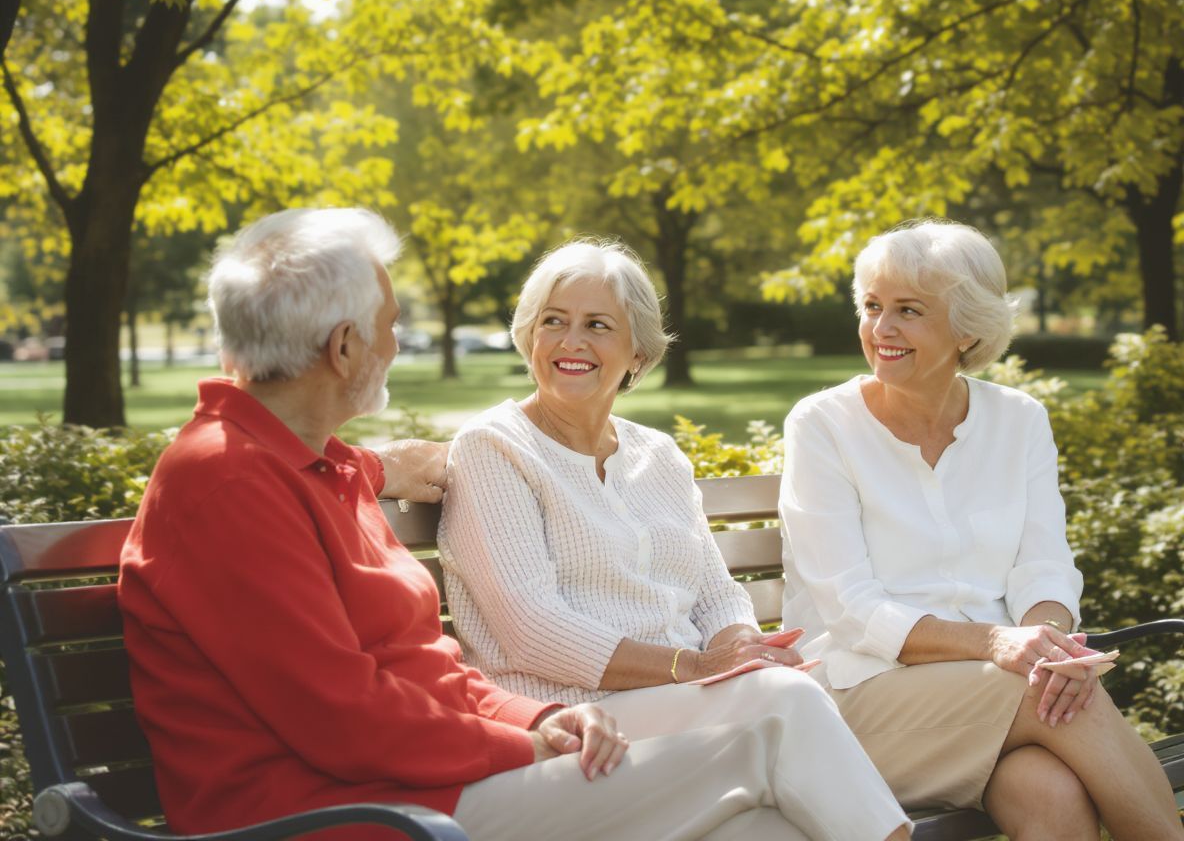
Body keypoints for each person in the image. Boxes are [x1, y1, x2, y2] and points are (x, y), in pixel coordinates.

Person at [118, 208, 882, 841]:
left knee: (762, 830)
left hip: (420, 783)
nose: (395, 346)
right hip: (349, 814)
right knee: (767, 742)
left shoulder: (316, 469)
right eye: (389, 326)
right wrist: (525, 742)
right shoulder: (226, 484)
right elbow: (344, 720)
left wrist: (546, 715)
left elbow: (427, 671)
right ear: (343, 348)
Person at [438, 238, 911, 841]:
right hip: (575, 720)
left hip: (681, 703)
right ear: (529, 336)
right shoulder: (495, 448)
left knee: (769, 830)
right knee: (784, 700)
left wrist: (741, 645)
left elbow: (715, 592)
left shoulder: (656, 455)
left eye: (596, 325)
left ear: (637, 351)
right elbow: (532, 629)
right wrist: (694, 666)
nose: (570, 342)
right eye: (552, 322)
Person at [779, 220, 1184, 841]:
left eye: (908, 310)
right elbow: (852, 610)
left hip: (997, 696)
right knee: (1042, 695)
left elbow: (1043, 566)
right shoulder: (822, 424)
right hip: (855, 700)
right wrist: (1000, 644)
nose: (881, 329)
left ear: (968, 328)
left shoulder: (1019, 420)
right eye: (872, 306)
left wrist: (1047, 645)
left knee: (1053, 797)